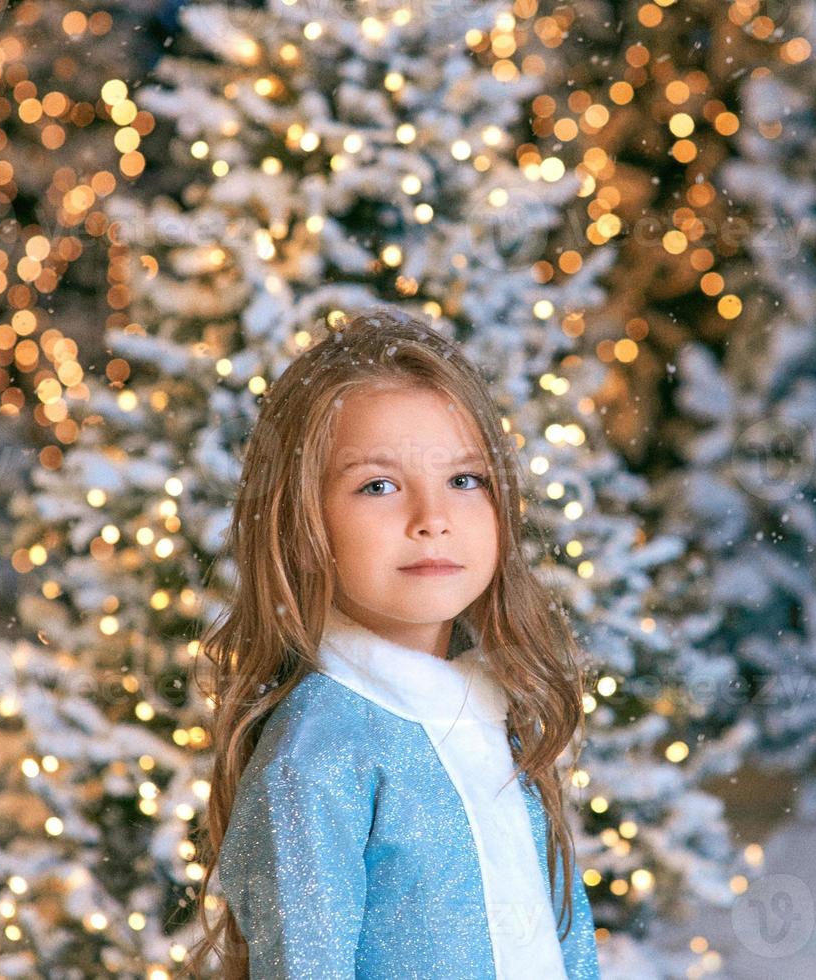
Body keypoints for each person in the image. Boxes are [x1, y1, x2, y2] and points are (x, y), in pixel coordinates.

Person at [184, 308, 602, 978]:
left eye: (464, 480)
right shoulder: (317, 755)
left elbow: (565, 944)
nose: (432, 519)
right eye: (378, 485)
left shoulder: (498, 711)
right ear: (300, 523)